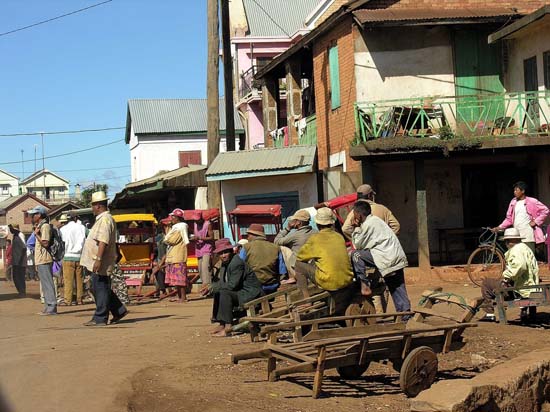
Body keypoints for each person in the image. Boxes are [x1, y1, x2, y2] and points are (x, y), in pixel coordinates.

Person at [350, 201, 411, 314]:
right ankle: (405, 314)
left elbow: (357, 245)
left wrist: (356, 228)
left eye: (354, 213)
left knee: (356, 255)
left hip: (387, 258)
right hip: (394, 258)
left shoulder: (369, 224)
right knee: (397, 287)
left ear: (358, 214)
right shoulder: (376, 221)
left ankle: (364, 284)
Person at [295, 207, 355, 314]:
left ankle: (307, 300)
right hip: (347, 279)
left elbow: (300, 257)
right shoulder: (339, 237)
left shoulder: (315, 239)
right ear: (332, 223)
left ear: (317, 224)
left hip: (329, 282)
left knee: (298, 265)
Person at [81, 191, 127, 326]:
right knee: (101, 287)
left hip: (101, 261)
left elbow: (103, 241)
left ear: (98, 206)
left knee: (99, 288)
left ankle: (100, 317)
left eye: (93, 205)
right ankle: (119, 310)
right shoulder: (103, 219)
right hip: (99, 260)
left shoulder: (105, 220)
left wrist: (98, 259)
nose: (92, 208)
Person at [201, 238, 263, 337]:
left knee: (225, 293)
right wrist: (211, 287)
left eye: (226, 252)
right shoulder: (225, 264)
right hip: (241, 291)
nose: (223, 255)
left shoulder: (236, 262)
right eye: (221, 253)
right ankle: (221, 323)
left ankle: (228, 327)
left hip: (250, 293)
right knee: (219, 292)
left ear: (231, 251)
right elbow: (222, 282)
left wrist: (213, 287)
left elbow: (232, 285)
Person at [481, 228, 539, 321]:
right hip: (530, 287)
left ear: (509, 241)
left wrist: (506, 276)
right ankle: (525, 313)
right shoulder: (525, 248)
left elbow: (520, 266)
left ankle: (489, 314)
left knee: (486, 283)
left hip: (519, 290)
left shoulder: (516, 250)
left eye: (506, 241)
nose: (506, 244)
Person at [492, 181, 549, 254]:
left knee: (529, 257)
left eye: (516, 190)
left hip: (528, 235)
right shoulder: (513, 202)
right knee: (518, 257)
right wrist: (500, 227)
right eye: (514, 190)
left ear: (523, 191)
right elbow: (509, 218)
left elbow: (545, 210)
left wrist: (535, 222)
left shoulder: (532, 201)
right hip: (516, 236)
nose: (514, 192)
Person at [27, 205, 57, 315]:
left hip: (45, 259)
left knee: (48, 284)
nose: (31, 217)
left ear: (39, 215)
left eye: (33, 215)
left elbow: (45, 243)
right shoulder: (40, 226)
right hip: (41, 259)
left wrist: (36, 234)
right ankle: (48, 306)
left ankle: (52, 306)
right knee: (45, 285)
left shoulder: (45, 226)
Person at [274, 209, 317, 284]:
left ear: (299, 222)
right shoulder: (316, 232)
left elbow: (276, 241)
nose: (291, 221)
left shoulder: (295, 235)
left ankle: (291, 277)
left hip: (299, 270)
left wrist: (288, 228)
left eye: (294, 220)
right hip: (313, 268)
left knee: (282, 248)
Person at [240, 224, 280, 291]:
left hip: (252, 287)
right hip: (272, 286)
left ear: (254, 235)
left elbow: (239, 266)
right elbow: (282, 270)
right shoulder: (276, 248)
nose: (247, 238)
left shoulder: (246, 247)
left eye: (248, 235)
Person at [164, 208, 190, 303]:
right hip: (173, 255)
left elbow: (171, 240)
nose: (172, 218)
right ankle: (179, 296)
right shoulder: (175, 227)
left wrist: (166, 238)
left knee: (180, 278)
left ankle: (183, 297)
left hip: (178, 255)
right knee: (176, 279)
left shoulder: (181, 227)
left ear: (177, 217)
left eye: (173, 216)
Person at [60, 212, 86, 305]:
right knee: (79, 280)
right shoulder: (82, 228)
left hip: (67, 256)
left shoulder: (63, 229)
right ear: (76, 218)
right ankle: (79, 300)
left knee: (68, 280)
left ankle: (68, 300)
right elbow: (89, 235)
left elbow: (61, 243)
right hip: (79, 257)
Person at [193, 213, 214, 288]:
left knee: (205, 267)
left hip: (207, 248)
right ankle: (204, 286)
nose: (196, 221)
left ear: (201, 218)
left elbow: (211, 237)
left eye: (197, 220)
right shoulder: (195, 224)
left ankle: (208, 286)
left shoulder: (208, 224)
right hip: (198, 249)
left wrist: (200, 238)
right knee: (200, 269)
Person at [8, 224, 26, 297]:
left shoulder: (20, 235)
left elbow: (24, 247)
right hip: (16, 260)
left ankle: (22, 292)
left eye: (12, 229)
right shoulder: (15, 236)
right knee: (16, 277)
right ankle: (21, 292)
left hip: (20, 261)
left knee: (20, 277)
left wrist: (19, 259)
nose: (11, 231)